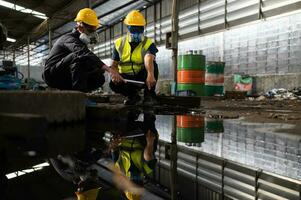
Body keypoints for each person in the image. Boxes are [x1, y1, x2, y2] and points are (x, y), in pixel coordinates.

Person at [43, 8, 118, 92]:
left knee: (99, 76)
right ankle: (79, 97)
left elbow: (87, 60)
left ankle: (79, 94)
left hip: (65, 75)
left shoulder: (81, 43)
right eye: (90, 30)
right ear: (80, 27)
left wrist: (102, 69)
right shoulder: (68, 38)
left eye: (94, 30)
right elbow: (82, 53)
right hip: (52, 75)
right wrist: (109, 69)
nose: (92, 34)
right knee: (79, 56)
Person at [109, 10, 159, 105]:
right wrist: (114, 74)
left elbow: (148, 57)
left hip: (142, 77)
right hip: (126, 80)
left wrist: (150, 74)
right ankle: (133, 96)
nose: (136, 32)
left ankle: (149, 95)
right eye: (133, 29)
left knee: (153, 66)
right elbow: (114, 65)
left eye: (139, 29)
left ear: (143, 28)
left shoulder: (148, 43)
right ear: (127, 28)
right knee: (112, 83)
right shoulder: (119, 43)